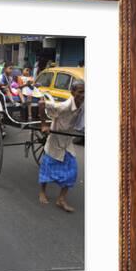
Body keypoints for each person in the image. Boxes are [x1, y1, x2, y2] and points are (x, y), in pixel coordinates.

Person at [37, 80, 85, 212]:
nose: (83, 95)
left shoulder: (83, 105)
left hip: (67, 141)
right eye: (80, 92)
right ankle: (42, 191)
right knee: (47, 169)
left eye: (84, 92)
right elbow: (41, 103)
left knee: (72, 171)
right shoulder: (64, 106)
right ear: (73, 92)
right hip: (55, 140)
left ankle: (61, 199)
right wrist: (43, 124)